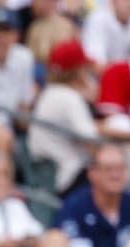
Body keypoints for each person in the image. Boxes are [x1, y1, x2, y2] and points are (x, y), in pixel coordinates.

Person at [48, 146, 130, 247]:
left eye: (121, 169)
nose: (115, 175)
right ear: (92, 173)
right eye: (108, 169)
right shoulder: (75, 205)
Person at [29, 40, 104, 196]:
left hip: (53, 173)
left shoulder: (51, 93)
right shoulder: (68, 97)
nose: (88, 72)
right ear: (76, 71)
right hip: (69, 178)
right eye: (84, 68)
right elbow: (92, 143)